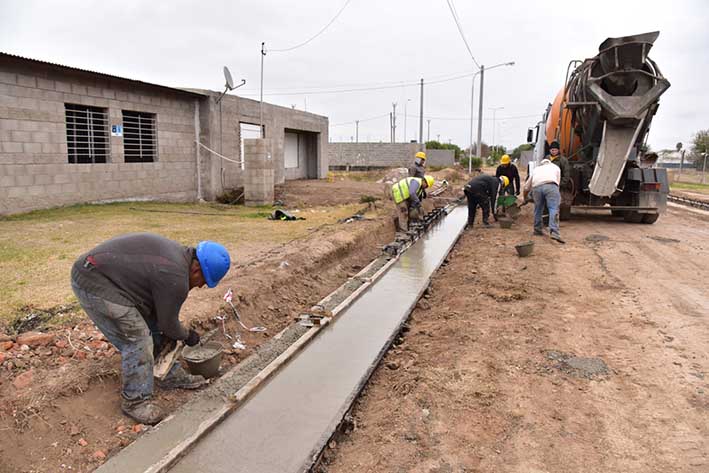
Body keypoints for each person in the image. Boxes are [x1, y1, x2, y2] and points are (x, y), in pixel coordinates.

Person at [70, 233, 231, 425]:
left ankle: (168, 374)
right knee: (137, 338)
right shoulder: (175, 276)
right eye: (203, 282)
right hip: (94, 281)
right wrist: (188, 336)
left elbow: (160, 318)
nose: (200, 286)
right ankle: (135, 401)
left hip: (112, 278)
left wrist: (167, 332)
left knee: (151, 326)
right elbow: (169, 325)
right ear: (196, 269)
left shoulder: (180, 259)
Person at [524, 159, 564, 242]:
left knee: (538, 209)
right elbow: (557, 182)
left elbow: (526, 187)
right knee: (553, 208)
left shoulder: (536, 169)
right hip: (551, 186)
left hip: (537, 187)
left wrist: (525, 198)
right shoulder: (556, 167)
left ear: (541, 164)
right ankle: (554, 232)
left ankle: (537, 230)